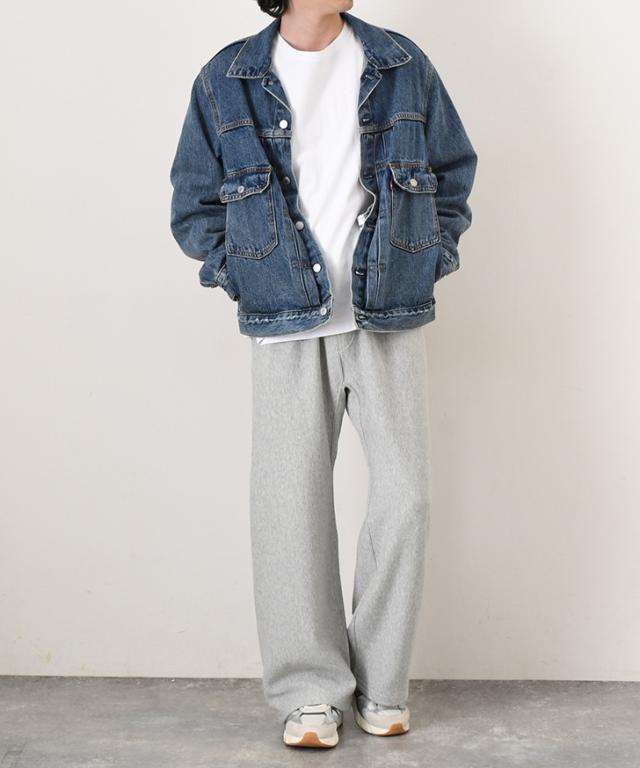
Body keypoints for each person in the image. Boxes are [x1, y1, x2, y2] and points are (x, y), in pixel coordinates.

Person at [169, 0, 477, 749]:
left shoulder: (400, 64)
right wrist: (244, 276)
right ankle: (309, 692)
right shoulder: (226, 79)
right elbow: (194, 206)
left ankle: (382, 682)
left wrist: (429, 259)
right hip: (285, 320)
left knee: (407, 498)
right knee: (290, 509)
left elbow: (452, 173)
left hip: (387, 310)